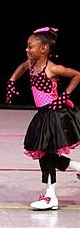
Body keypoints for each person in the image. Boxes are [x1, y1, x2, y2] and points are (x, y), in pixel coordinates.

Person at [6, 27, 80, 210]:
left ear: (44, 49)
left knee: (45, 156)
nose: (27, 49)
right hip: (43, 115)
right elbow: (22, 67)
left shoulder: (52, 68)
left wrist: (64, 96)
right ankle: (71, 175)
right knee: (47, 156)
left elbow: (76, 75)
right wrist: (11, 81)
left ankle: (50, 196)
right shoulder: (30, 64)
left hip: (55, 115)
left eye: (30, 46)